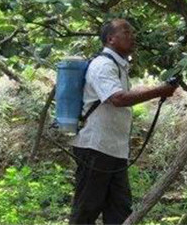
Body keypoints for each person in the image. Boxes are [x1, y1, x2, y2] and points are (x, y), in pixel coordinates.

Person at [69, 18, 178, 225]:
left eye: (132, 32)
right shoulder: (102, 65)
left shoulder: (119, 67)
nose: (132, 36)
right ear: (110, 39)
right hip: (96, 148)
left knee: (119, 211)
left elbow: (122, 97)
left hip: (113, 150)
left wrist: (159, 89)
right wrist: (159, 90)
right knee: (86, 210)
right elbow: (118, 99)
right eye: (126, 32)